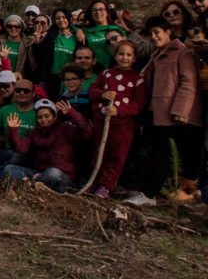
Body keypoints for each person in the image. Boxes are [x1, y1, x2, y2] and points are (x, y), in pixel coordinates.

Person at [125, 16, 203, 206]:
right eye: (150, 33)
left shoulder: (183, 53)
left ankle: (150, 194)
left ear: (168, 31)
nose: (153, 37)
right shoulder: (156, 54)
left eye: (157, 32)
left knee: (165, 154)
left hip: (173, 116)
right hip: (156, 113)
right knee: (153, 152)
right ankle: (149, 192)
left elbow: (188, 82)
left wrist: (181, 110)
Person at [85, 40, 146, 198]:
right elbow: (92, 91)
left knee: (116, 156)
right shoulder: (106, 74)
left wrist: (118, 110)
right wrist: (102, 94)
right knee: (99, 152)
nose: (124, 57)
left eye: (128, 55)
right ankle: (92, 181)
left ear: (134, 58)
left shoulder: (137, 79)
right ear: (115, 56)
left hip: (123, 126)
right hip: (103, 123)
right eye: (121, 54)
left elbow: (138, 105)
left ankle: (106, 186)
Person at [3, 98, 93, 192]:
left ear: (54, 117)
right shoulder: (35, 132)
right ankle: (35, 185)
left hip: (61, 175)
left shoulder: (65, 128)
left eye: (47, 116)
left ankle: (31, 185)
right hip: (39, 173)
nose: (43, 120)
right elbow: (21, 149)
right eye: (40, 117)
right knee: (9, 169)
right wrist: (13, 130)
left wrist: (71, 113)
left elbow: (86, 132)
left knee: (53, 173)